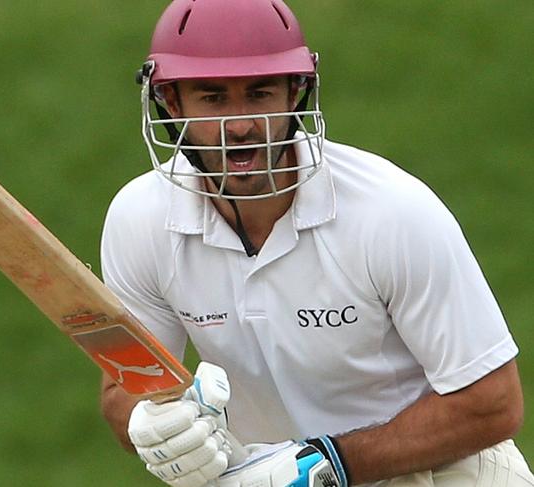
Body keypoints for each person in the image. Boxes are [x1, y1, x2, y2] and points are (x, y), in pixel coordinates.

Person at [99, 1, 533, 486]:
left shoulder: (389, 211)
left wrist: (322, 465)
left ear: (296, 93)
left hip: (444, 474)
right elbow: (126, 387)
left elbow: (493, 404)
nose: (239, 126)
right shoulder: (138, 219)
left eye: (260, 94)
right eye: (213, 98)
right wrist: (156, 427)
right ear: (172, 104)